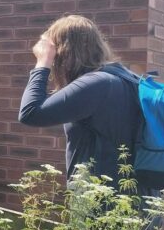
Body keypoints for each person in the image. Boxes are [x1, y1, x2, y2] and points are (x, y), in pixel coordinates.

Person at [18, 15, 152, 212]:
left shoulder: (97, 83)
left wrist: (42, 63)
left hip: (102, 205)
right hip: (138, 204)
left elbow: (30, 113)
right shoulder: (127, 79)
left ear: (64, 52)